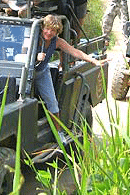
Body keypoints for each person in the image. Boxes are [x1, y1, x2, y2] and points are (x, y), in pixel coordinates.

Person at [34, 14, 107, 142]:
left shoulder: (56, 41)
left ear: (57, 32)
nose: (49, 32)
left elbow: (74, 52)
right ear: (42, 27)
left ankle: (58, 133)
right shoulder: (34, 38)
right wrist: (34, 57)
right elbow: (20, 54)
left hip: (41, 72)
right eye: (47, 29)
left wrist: (94, 61)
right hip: (26, 72)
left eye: (53, 30)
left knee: (52, 103)